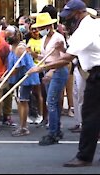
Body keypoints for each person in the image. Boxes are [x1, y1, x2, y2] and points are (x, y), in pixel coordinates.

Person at [28, 0, 100, 167]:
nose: (67, 20)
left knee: (90, 117)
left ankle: (84, 156)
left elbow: (67, 58)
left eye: (70, 16)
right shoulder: (93, 24)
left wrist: (40, 69)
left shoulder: (85, 29)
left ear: (80, 13)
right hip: (93, 73)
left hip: (97, 75)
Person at [31, 12, 68, 146]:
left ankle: (53, 133)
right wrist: (34, 55)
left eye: (42, 27)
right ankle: (56, 130)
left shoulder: (58, 38)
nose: (40, 30)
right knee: (53, 102)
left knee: (51, 102)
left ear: (49, 25)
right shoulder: (43, 39)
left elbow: (64, 58)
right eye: (40, 28)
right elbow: (45, 57)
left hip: (58, 71)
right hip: (48, 70)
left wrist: (51, 71)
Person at [5, 26, 40, 136]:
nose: (7, 38)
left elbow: (18, 67)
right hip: (19, 77)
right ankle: (22, 125)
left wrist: (6, 77)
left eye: (9, 35)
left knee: (23, 101)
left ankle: (23, 127)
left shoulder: (20, 48)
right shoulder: (13, 47)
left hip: (25, 78)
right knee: (20, 101)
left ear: (15, 35)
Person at [27, 26, 45, 125]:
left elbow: (41, 56)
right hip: (32, 69)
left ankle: (40, 115)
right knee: (31, 93)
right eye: (32, 29)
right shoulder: (29, 41)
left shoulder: (43, 41)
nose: (34, 31)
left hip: (41, 69)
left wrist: (33, 54)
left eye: (36, 29)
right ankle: (31, 114)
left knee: (39, 93)